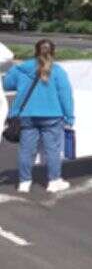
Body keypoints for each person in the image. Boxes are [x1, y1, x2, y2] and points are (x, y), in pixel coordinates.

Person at [4, 40, 74, 193]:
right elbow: (65, 95)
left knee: (26, 150)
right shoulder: (58, 71)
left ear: (35, 51)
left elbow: (7, 84)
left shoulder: (21, 69)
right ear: (53, 52)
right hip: (52, 115)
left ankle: (24, 182)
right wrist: (69, 116)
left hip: (26, 115)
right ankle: (54, 181)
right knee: (52, 150)